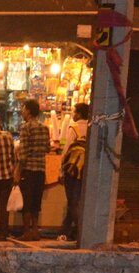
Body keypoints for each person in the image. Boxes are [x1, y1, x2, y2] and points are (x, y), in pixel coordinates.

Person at [15, 98, 51, 241]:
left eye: (23, 109)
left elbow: (23, 154)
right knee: (36, 202)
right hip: (41, 170)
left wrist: (17, 171)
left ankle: (26, 232)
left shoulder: (26, 127)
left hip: (28, 170)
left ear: (28, 111)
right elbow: (47, 148)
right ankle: (35, 231)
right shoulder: (44, 128)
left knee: (27, 203)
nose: (22, 112)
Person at [59, 102, 90, 242]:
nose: (73, 114)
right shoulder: (91, 127)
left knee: (72, 201)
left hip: (72, 170)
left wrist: (61, 171)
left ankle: (79, 230)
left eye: (74, 111)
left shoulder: (74, 127)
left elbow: (66, 150)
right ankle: (66, 230)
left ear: (79, 114)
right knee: (77, 201)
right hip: (85, 170)